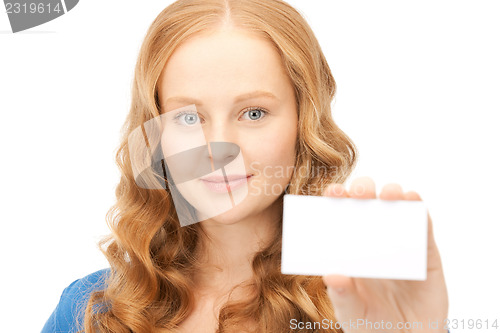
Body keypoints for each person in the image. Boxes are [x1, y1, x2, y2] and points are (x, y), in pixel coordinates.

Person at [41, 0, 448, 332]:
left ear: (304, 123)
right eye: (188, 118)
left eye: (253, 113)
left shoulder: (367, 301)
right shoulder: (90, 311)